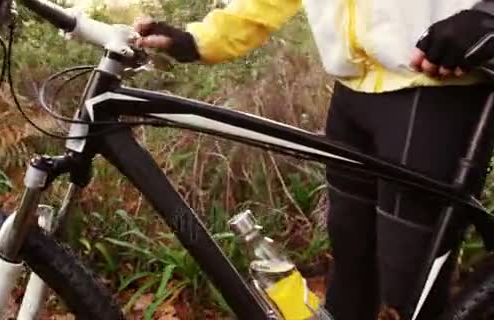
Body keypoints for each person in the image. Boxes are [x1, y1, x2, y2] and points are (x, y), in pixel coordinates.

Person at [132, 1, 494, 319]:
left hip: (436, 93)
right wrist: (198, 41)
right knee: (350, 274)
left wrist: (487, 16)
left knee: (409, 294)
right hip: (352, 94)